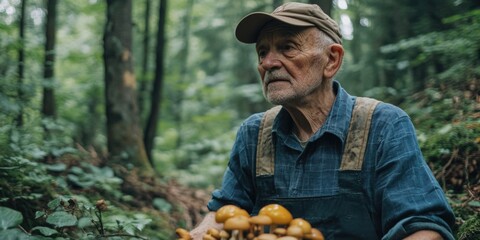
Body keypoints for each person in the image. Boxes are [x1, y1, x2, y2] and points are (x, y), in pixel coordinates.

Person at [190, 2, 455, 239]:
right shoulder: (254, 133)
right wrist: (202, 232)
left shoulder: (384, 124)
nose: (268, 63)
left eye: (287, 47)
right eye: (262, 52)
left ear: (331, 60)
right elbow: (225, 211)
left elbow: (424, 226)